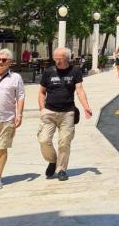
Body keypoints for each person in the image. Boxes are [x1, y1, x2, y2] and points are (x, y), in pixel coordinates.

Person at [38, 47, 92, 181]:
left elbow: (79, 90)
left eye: (59, 58)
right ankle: (52, 160)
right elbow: (41, 92)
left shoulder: (75, 71)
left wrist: (86, 107)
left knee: (64, 142)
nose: (56, 60)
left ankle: (61, 169)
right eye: (55, 58)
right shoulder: (48, 71)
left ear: (67, 58)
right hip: (49, 111)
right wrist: (42, 109)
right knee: (44, 139)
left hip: (67, 112)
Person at [0, 50, 25, 190]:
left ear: (10, 62)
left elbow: (20, 96)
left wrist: (19, 114)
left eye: (4, 60)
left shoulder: (16, 78)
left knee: (2, 148)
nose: (0, 62)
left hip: (7, 119)